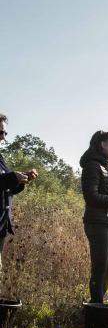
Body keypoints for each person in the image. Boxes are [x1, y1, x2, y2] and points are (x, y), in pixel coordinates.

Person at [80, 131, 108, 303]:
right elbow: (91, 196)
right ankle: (96, 305)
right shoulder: (92, 165)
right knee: (99, 268)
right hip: (96, 222)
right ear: (102, 144)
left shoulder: (105, 166)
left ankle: (96, 299)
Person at [0, 114, 38, 277]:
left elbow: (6, 188)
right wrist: (12, 177)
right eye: (0, 132)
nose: (3, 137)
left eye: (5, 133)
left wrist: (21, 181)